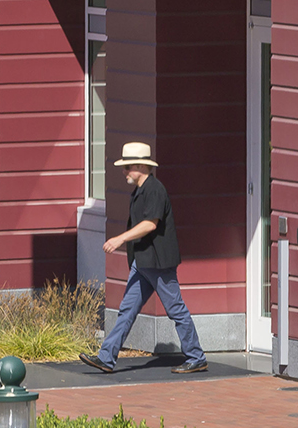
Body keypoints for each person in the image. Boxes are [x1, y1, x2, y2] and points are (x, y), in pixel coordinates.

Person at [79, 141, 208, 374]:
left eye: (127, 167)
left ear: (140, 166)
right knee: (127, 310)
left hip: (158, 262)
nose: (124, 172)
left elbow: (150, 224)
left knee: (175, 309)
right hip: (143, 262)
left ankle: (196, 356)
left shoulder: (155, 189)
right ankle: (106, 358)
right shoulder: (139, 191)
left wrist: (120, 239)